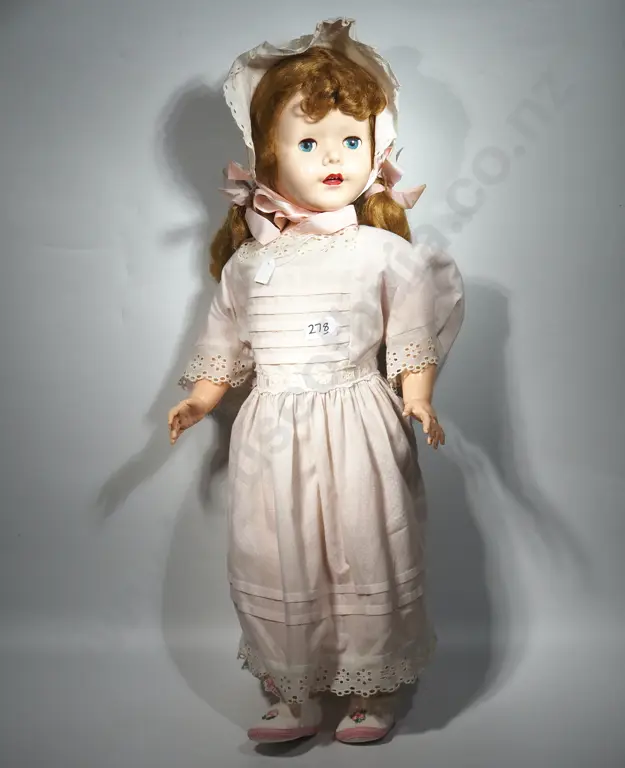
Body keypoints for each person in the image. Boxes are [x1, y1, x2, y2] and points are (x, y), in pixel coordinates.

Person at [168, 18, 464, 745]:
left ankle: (372, 687)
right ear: (269, 154)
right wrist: (201, 397)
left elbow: (411, 329)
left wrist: (418, 397)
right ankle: (292, 687)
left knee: (367, 542)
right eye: (308, 143)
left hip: (358, 423)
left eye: (350, 141)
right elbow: (224, 338)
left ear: (376, 150)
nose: (332, 157)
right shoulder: (250, 264)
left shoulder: (381, 252)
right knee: (279, 550)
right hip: (272, 430)